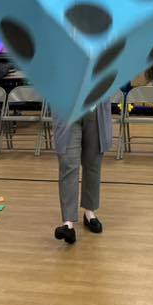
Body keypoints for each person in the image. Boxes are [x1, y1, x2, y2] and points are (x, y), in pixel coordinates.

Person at [53, 100, 113, 244]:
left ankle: (89, 212)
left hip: (95, 107)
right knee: (68, 164)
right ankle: (68, 223)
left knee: (93, 163)